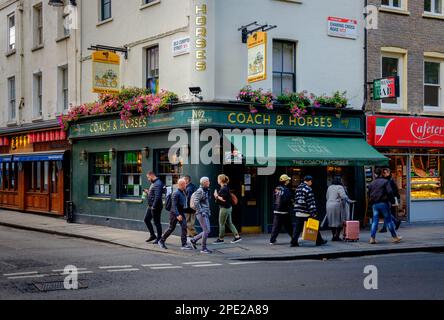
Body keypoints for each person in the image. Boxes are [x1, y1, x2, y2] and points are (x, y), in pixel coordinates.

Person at [367, 168, 402, 244]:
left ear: (375, 174)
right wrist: (393, 201)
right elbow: (390, 192)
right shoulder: (385, 182)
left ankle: (372, 238)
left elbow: (369, 194)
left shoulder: (371, 183)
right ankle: (395, 237)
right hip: (383, 203)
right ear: (381, 174)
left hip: (374, 204)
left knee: (375, 221)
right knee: (389, 220)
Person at [291, 176, 328, 247]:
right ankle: (319, 241)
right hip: (305, 212)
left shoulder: (298, 188)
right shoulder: (308, 189)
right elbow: (310, 202)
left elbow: (295, 199)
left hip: (298, 211)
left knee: (298, 228)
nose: (311, 183)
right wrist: (313, 212)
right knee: (313, 226)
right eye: (311, 181)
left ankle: (294, 242)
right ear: (309, 181)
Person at [158, 179, 193, 250]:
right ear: (181, 185)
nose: (186, 185)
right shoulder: (176, 193)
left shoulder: (183, 192)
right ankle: (161, 241)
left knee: (184, 226)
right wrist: (177, 215)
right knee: (171, 228)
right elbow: (173, 206)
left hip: (181, 212)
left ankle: (184, 244)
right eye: (185, 184)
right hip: (174, 213)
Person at [213, 174, 242, 244]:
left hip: (224, 208)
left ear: (220, 180)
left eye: (218, 179)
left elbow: (223, 199)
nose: (217, 180)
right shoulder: (226, 187)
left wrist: (216, 195)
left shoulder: (223, 188)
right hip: (228, 207)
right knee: (229, 223)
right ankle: (237, 236)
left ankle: (221, 238)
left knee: (221, 223)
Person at [324, 176, 353, 241]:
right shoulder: (340, 187)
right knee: (339, 221)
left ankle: (334, 235)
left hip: (329, 205)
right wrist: (349, 200)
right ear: (340, 181)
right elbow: (343, 196)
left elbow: (327, 197)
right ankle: (336, 236)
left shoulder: (329, 187)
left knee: (331, 221)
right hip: (337, 205)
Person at [190, 177, 213, 254]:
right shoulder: (200, 191)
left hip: (205, 213)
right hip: (201, 213)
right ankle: (203, 248)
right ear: (204, 182)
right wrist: (202, 211)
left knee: (207, 230)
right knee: (206, 231)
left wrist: (207, 211)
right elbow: (196, 202)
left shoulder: (206, 190)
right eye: (208, 181)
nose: (209, 182)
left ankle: (194, 240)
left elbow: (206, 202)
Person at [269, 174, 294, 245]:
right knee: (289, 226)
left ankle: (272, 240)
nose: (289, 181)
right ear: (285, 181)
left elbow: (274, 198)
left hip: (276, 210)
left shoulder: (276, 188)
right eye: (288, 180)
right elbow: (288, 200)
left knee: (276, 226)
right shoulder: (286, 190)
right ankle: (294, 238)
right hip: (284, 211)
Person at [144, 172, 164, 244]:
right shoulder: (154, 183)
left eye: (148, 178)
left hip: (156, 207)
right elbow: (153, 193)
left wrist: (154, 207)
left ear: (152, 176)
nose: (148, 179)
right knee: (146, 219)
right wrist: (148, 192)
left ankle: (159, 238)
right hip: (151, 206)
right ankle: (152, 235)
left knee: (157, 222)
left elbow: (158, 197)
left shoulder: (158, 183)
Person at [379, 168, 402, 233]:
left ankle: (388, 226)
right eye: (383, 172)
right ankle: (394, 223)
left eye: (385, 172)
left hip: (389, 199)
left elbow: (394, 190)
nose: (384, 174)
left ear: (389, 173)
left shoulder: (390, 180)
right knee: (387, 213)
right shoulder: (386, 180)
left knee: (387, 213)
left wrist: (395, 198)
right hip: (387, 198)